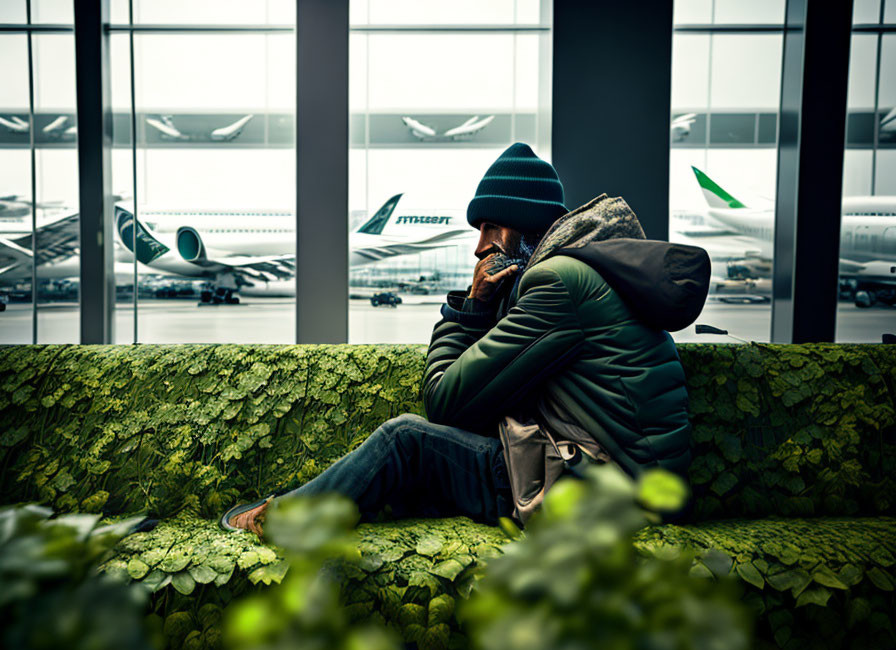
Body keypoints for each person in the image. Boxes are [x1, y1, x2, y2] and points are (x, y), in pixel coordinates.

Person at [220, 142, 708, 538]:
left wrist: (468, 309)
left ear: (526, 226)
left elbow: (446, 403)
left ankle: (283, 519)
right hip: (625, 482)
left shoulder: (557, 285)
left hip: (604, 495)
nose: (479, 246)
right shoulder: (586, 274)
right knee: (431, 457)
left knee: (404, 439)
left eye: (491, 227)